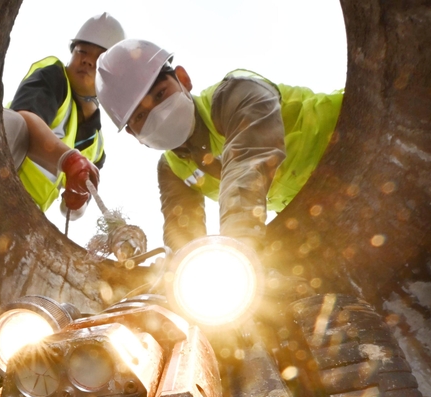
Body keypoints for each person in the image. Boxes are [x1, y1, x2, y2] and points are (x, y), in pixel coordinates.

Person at [95, 39, 343, 252]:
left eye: (160, 95)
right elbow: (182, 234)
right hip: (322, 205)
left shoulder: (236, 93)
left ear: (183, 79)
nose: (158, 114)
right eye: (140, 117)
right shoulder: (172, 170)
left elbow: (248, 165)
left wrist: (237, 245)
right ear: (133, 134)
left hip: (355, 139)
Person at [3, 12, 125, 219]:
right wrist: (69, 160)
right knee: (14, 122)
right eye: (82, 51)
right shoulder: (54, 77)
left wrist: (76, 201)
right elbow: (24, 118)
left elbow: (73, 211)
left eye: (98, 58)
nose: (87, 60)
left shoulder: (97, 147)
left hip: (24, 211)